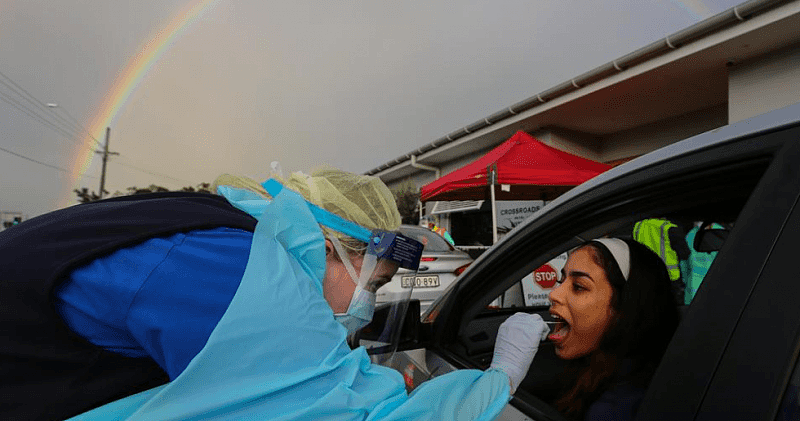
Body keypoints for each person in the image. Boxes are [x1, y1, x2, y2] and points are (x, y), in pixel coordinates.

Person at [1, 166, 543, 421]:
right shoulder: (236, 270)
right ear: (338, 247)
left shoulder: (213, 232)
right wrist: (501, 376)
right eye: (372, 285)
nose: (363, 307)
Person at [543, 238, 680, 420]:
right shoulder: (598, 372)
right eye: (561, 281)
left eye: (578, 286)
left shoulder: (616, 408)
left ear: (622, 308)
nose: (554, 294)